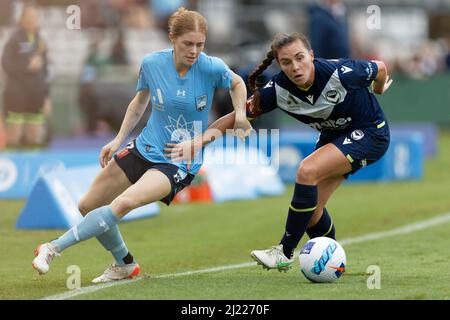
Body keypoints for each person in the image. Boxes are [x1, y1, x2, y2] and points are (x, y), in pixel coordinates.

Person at [32, 7, 252, 283]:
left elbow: (238, 84)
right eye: (188, 44)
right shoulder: (152, 64)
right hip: (145, 147)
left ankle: (52, 248)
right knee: (88, 205)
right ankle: (124, 263)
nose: (194, 51)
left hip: (178, 160)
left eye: (200, 44)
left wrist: (240, 116)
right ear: (172, 38)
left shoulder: (211, 66)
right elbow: (139, 103)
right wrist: (117, 140)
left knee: (123, 204)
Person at [166, 32, 393, 271]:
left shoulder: (341, 73)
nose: (295, 67)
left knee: (307, 170)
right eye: (286, 62)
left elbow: (379, 67)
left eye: (300, 58)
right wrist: (196, 143)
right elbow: (236, 118)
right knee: (312, 212)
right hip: (335, 136)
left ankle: (284, 251)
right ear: (279, 65)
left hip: (371, 132)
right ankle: (332, 261)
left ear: (311, 55)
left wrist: (378, 89)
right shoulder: (277, 90)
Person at [1, 4, 51, 148]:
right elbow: (6, 65)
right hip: (16, 95)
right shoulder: (14, 40)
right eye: (29, 17)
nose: (32, 20)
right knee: (14, 137)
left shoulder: (41, 42)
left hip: (36, 96)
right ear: (21, 19)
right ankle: (12, 168)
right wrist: (27, 67)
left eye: (35, 17)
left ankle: (32, 167)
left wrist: (46, 96)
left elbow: (46, 71)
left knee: (34, 137)